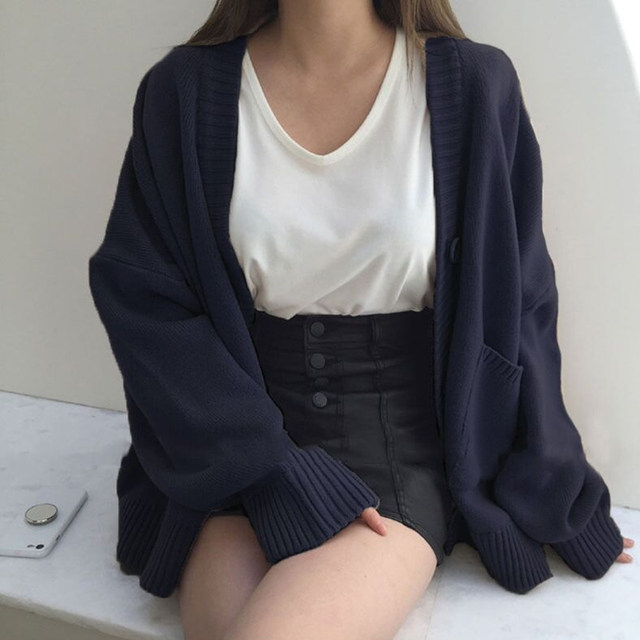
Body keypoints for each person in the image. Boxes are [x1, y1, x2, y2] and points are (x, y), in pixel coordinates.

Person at [88, 1, 634, 639]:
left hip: (393, 459)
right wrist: (267, 467)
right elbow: (147, 305)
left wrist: (558, 489)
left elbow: (523, 306)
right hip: (239, 459)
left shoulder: (475, 85)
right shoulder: (183, 91)